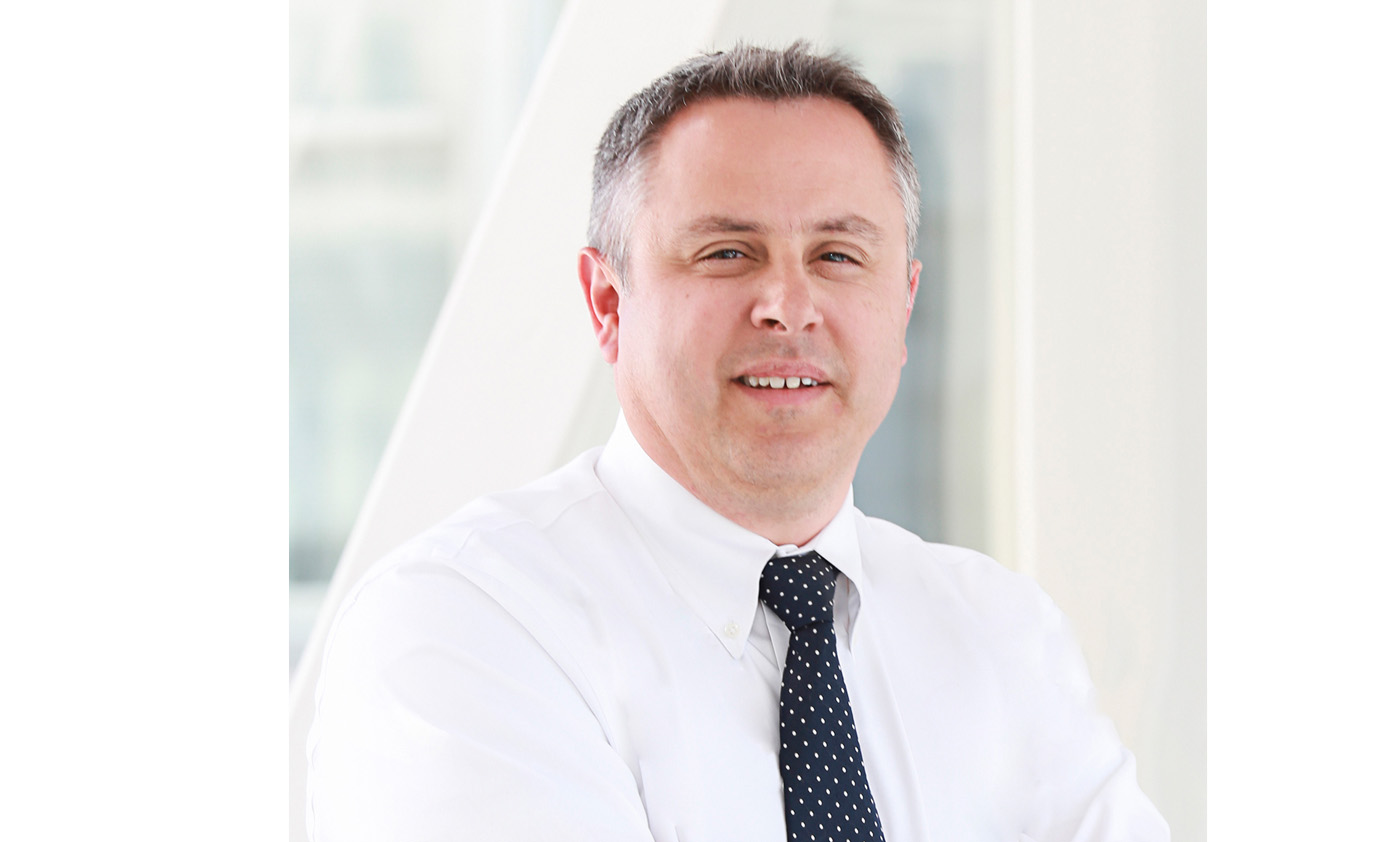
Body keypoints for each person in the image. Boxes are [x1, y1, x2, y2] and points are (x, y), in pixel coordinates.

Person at [306, 42, 1170, 842]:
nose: (788, 307)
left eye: (838, 256)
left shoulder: (1000, 634)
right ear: (607, 303)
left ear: (904, 304)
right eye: (726, 253)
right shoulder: (462, 624)